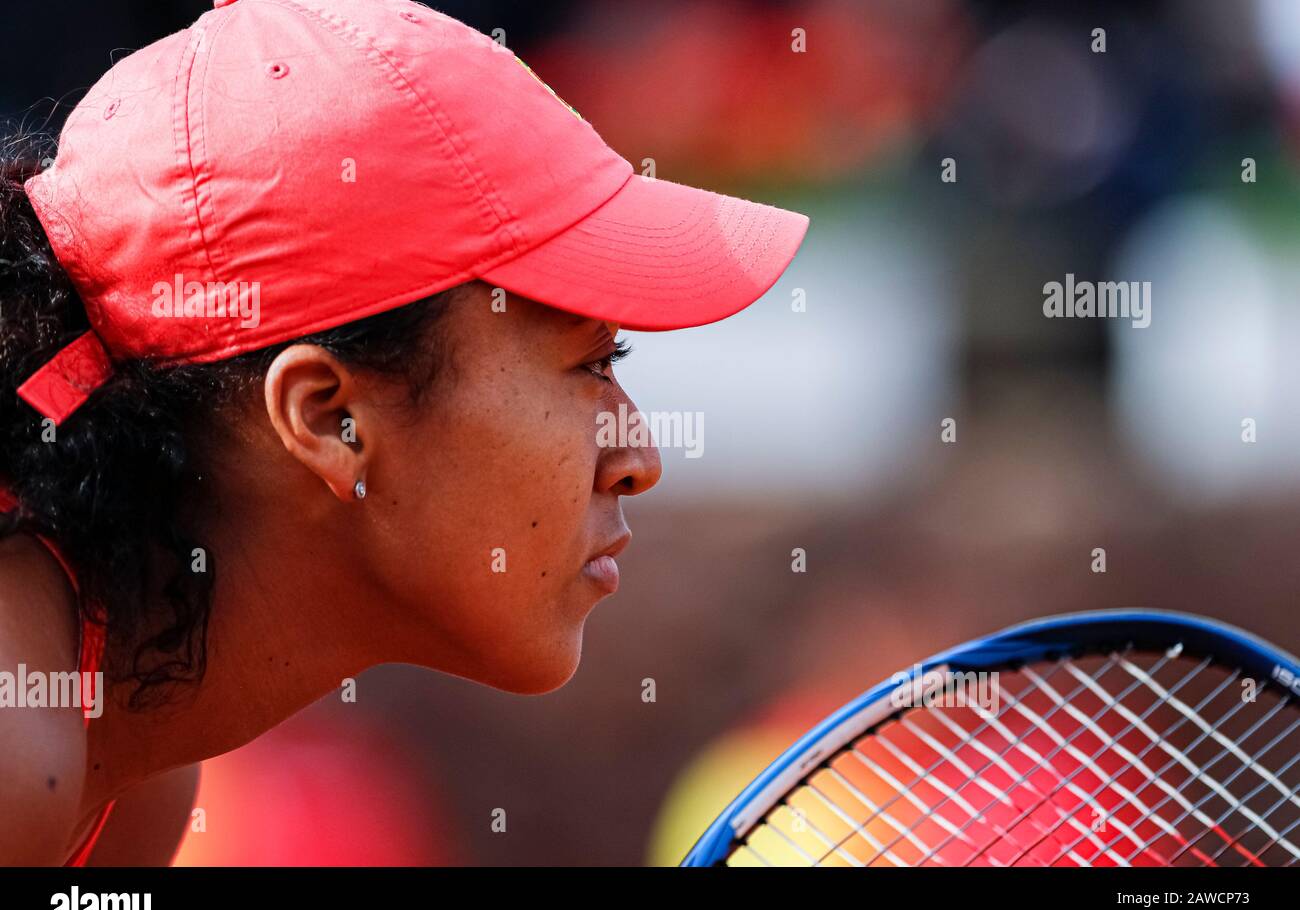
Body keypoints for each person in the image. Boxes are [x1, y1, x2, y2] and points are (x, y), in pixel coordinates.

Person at [0, 0, 809, 865]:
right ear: (327, 417)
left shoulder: (139, 770)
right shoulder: (25, 754)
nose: (639, 460)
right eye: (589, 365)